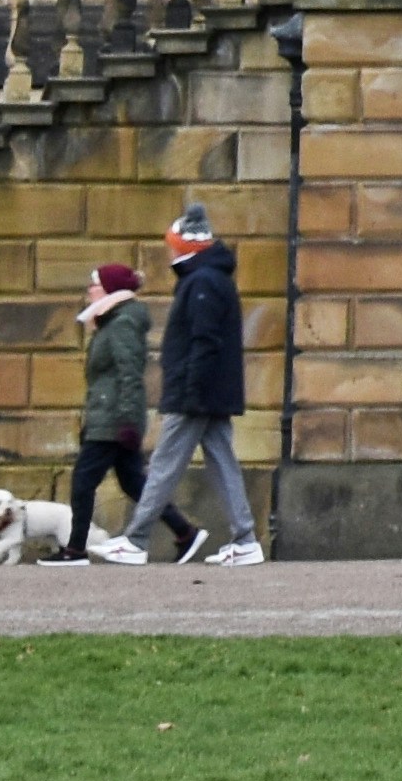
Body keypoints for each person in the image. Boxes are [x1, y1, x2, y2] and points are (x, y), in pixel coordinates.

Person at [137, 203, 263, 566]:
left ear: (186, 247)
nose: (170, 250)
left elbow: (203, 342)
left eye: (173, 244)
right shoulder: (208, 277)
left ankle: (136, 538)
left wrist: (190, 392)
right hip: (208, 392)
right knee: (222, 463)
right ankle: (245, 538)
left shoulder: (202, 281)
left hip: (196, 393)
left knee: (165, 463)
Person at [68, 262, 153, 564]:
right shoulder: (113, 320)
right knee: (133, 482)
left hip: (113, 417)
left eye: (94, 285)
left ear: (109, 291)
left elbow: (129, 373)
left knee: (83, 481)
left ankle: (75, 549)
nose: (89, 291)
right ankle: (185, 532)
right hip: (108, 413)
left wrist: (128, 421)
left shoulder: (122, 323)